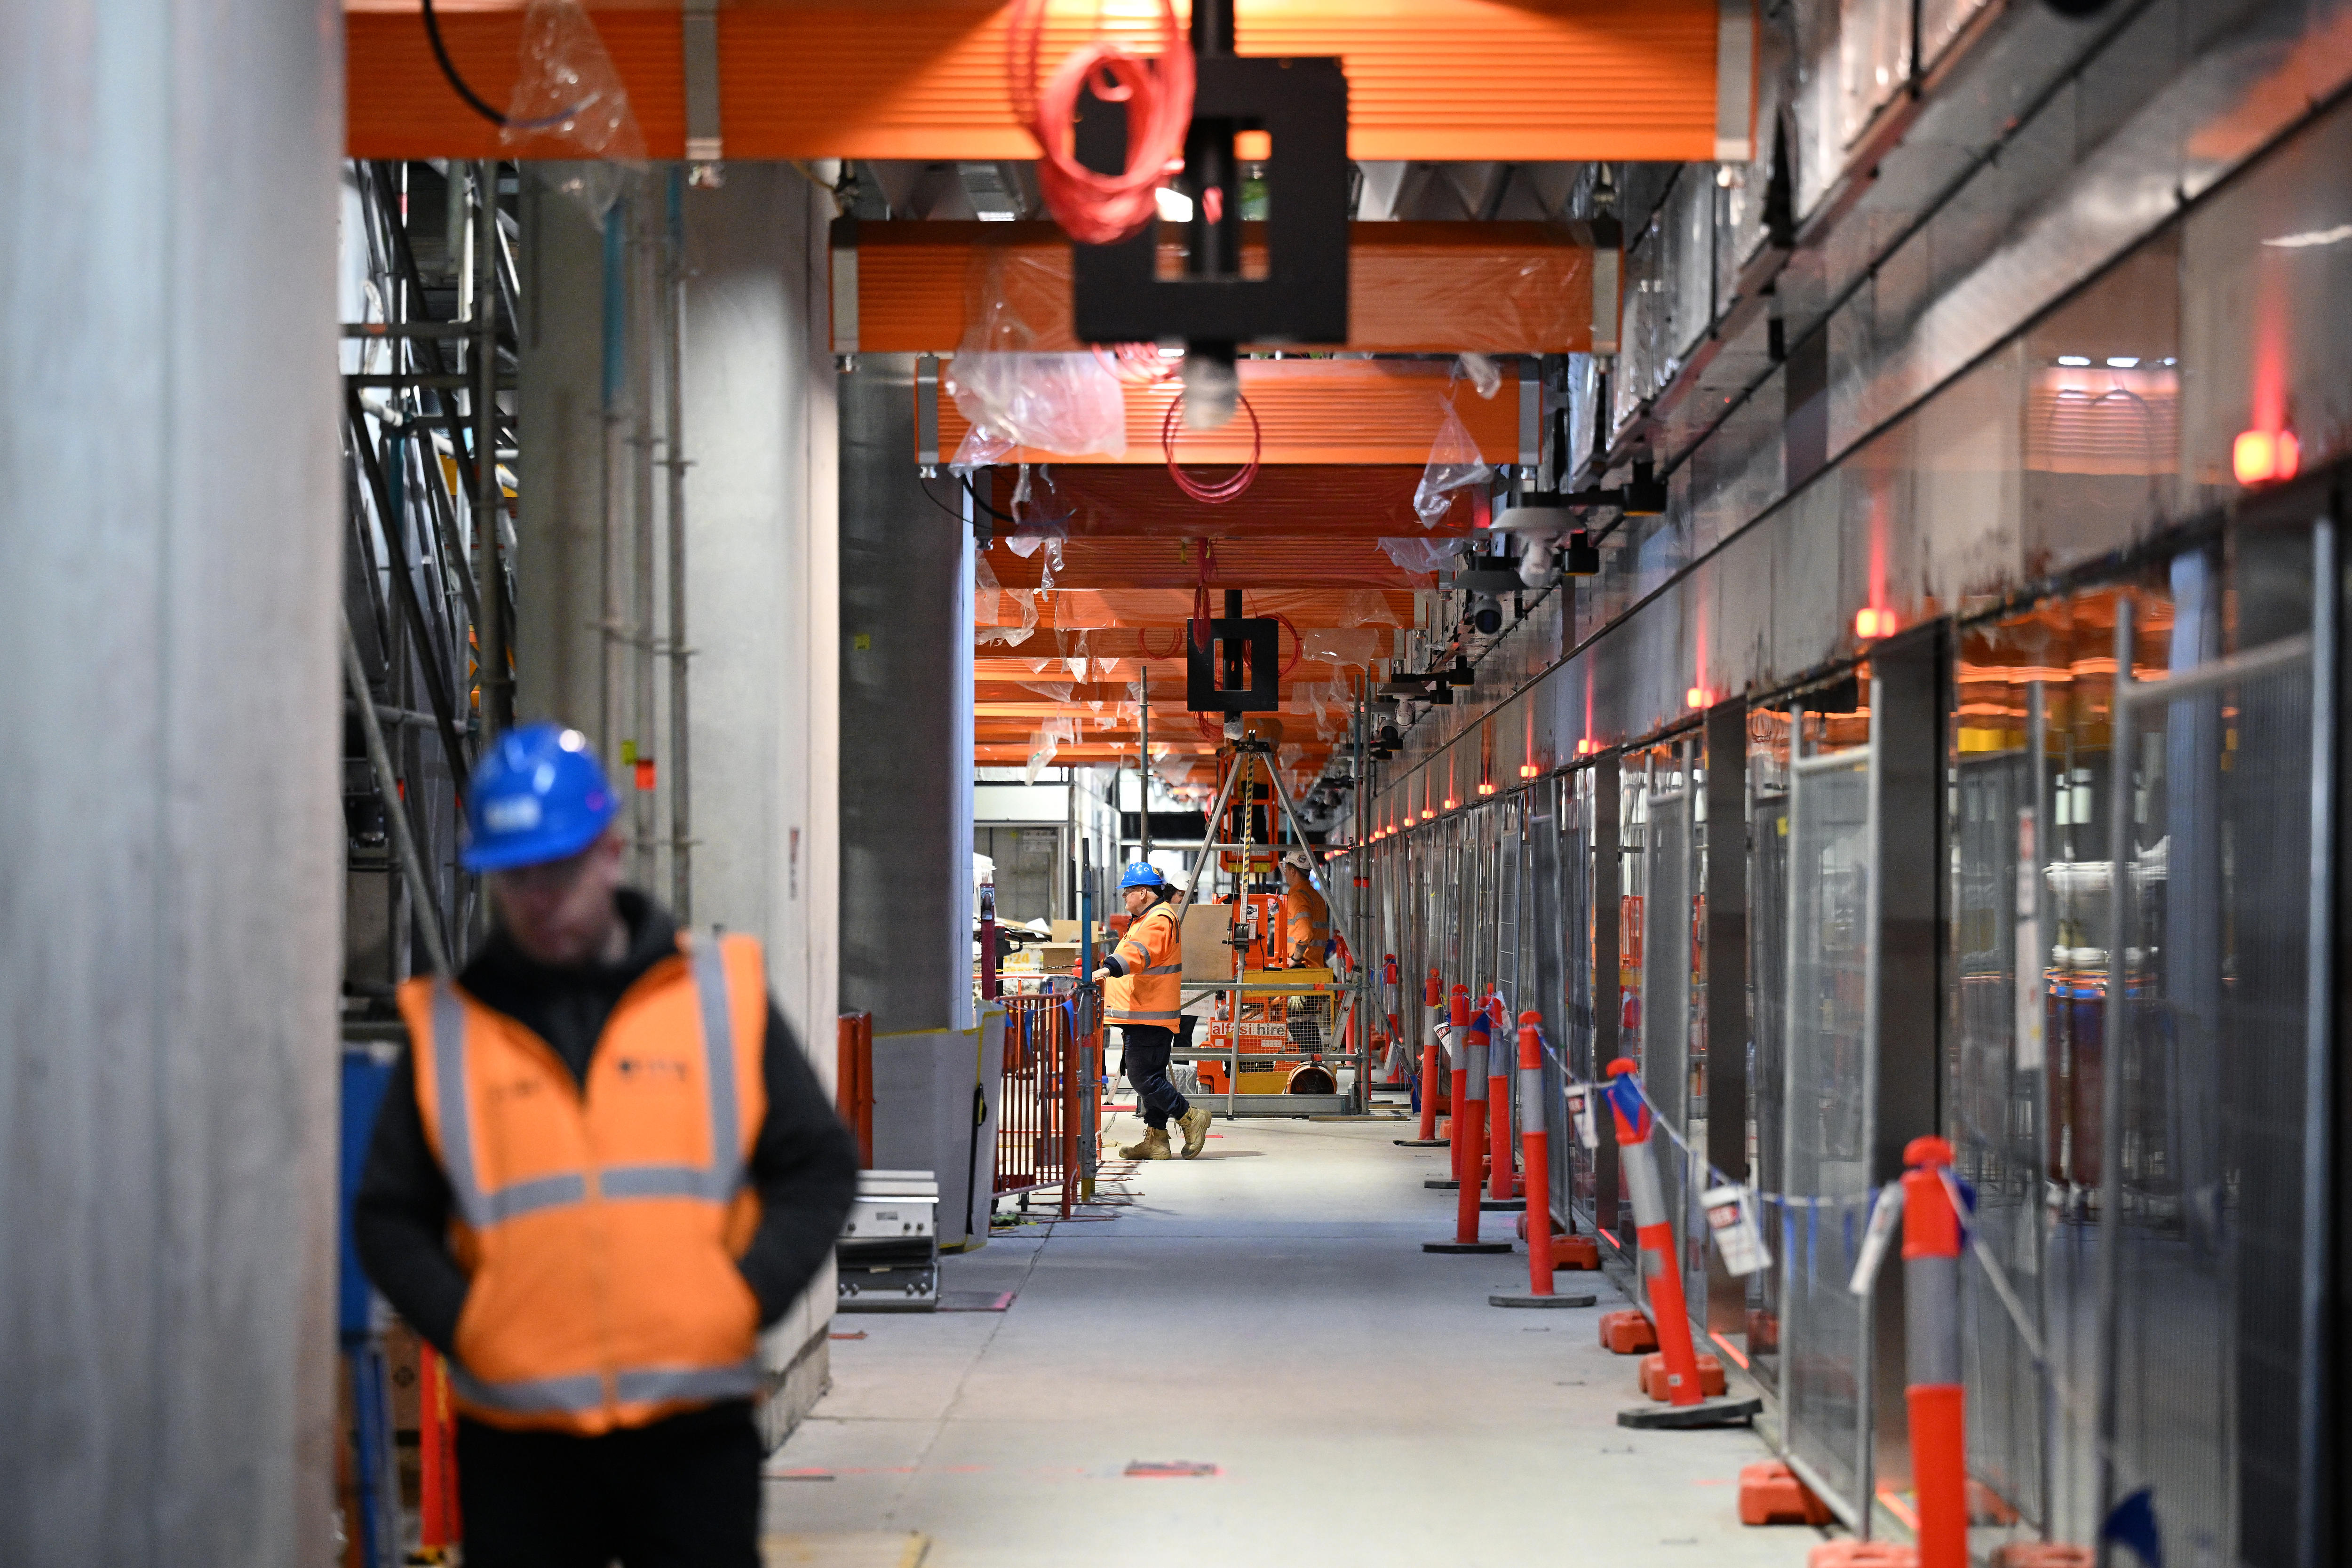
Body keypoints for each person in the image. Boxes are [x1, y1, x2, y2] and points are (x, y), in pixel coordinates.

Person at [354, 724, 859, 1568]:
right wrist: (473, 1325)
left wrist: (738, 1299)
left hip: (692, 1431)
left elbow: (818, 1164)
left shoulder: (715, 996)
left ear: (611, 851)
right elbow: (387, 1216)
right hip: (521, 1441)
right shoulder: (449, 1029)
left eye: (559, 869)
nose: (541, 898)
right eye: (517, 877)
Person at [1092, 862, 1212, 1160]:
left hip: (1150, 1014)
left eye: (1128, 891)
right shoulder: (1144, 918)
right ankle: (1158, 1140)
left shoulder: (1159, 919)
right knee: (1151, 1075)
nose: (1124, 896)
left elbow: (1139, 954)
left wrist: (1108, 969)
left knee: (1142, 1077)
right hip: (1143, 1012)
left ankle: (1190, 1117)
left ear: (1143, 893)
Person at [1279, 848, 1333, 968]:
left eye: (1286, 870)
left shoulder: (1297, 897)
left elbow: (1305, 932)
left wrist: (1294, 959)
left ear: (1293, 871)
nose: (1285, 874)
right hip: (1315, 964)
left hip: (1301, 965)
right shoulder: (1315, 896)